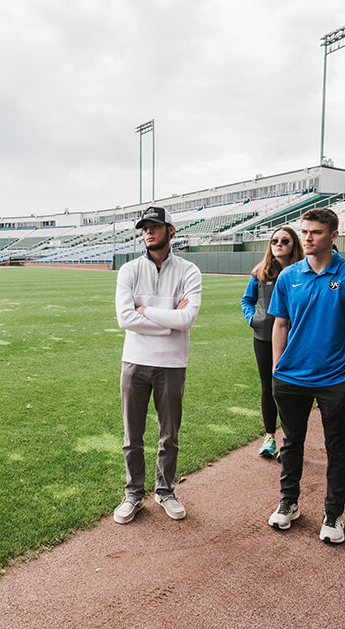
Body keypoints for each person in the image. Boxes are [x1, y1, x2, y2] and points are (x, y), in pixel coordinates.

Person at [266, 208, 345, 544]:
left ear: (333, 235)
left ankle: (334, 514)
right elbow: (280, 324)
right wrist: (276, 369)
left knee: (337, 448)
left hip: (334, 380)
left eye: (315, 232)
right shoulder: (289, 277)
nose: (307, 237)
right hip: (290, 378)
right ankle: (289, 502)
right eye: (304, 232)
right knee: (292, 443)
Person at [113, 206, 201, 524]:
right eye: (144, 227)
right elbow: (125, 318)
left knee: (169, 435)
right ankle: (133, 494)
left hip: (172, 365)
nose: (148, 232)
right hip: (134, 362)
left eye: (155, 226)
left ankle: (164, 491)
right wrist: (169, 321)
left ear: (170, 230)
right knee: (131, 437)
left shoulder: (189, 271)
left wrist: (145, 310)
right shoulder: (129, 270)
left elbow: (188, 317)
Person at [241, 226, 303, 458]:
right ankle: (269, 437)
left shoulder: (302, 272)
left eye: (284, 241)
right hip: (263, 337)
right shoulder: (261, 272)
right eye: (274, 240)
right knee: (268, 385)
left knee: (291, 388)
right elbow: (247, 299)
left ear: (293, 244)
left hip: (294, 339)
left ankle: (290, 440)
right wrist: (253, 320)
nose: (278, 244)